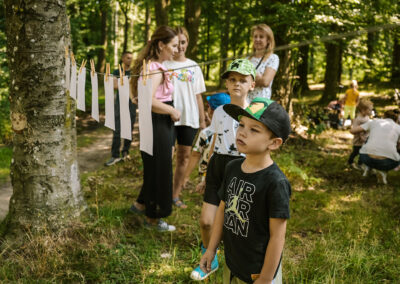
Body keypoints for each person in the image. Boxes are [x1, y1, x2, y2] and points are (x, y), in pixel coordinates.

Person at [199, 98, 291, 284]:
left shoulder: (275, 182)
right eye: (241, 125)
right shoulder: (232, 168)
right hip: (232, 263)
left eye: (254, 129)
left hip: (259, 272)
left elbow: (277, 237)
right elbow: (222, 211)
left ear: (274, 143)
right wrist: (210, 250)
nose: (241, 132)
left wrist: (265, 278)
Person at [190, 59, 256, 281]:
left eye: (242, 80)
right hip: (218, 166)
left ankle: (240, 267)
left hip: (241, 168)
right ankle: (210, 258)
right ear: (226, 84)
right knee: (206, 222)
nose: (237, 84)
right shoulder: (219, 112)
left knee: (235, 223)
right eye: (232, 80)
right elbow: (214, 142)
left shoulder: (255, 113)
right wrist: (205, 174)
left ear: (252, 84)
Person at [129, 26, 180, 232]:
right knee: (160, 168)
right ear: (161, 45)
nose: (176, 50)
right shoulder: (155, 69)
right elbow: (146, 100)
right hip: (158, 120)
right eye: (174, 45)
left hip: (155, 121)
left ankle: (141, 204)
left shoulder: (150, 66)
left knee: (153, 165)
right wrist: (171, 111)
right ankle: (154, 218)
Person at [163, 27, 207, 209]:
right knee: (166, 155)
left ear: (187, 43)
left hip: (188, 117)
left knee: (184, 156)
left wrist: (203, 121)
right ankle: (162, 193)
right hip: (168, 116)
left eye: (183, 42)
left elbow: (198, 95)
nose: (180, 46)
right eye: (177, 42)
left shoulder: (194, 66)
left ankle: (175, 194)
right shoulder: (164, 65)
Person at [183, 93, 231, 194]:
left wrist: (186, 176)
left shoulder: (206, 133)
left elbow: (195, 154)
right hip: (228, 176)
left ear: (212, 111)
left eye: (208, 106)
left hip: (208, 176)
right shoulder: (234, 132)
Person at [105, 51, 137, 166]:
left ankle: (125, 152)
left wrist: (124, 82)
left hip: (131, 104)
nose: (130, 60)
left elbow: (137, 86)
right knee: (117, 129)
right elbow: (113, 86)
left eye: (131, 58)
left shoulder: (134, 72)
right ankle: (114, 156)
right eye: (128, 58)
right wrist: (127, 82)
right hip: (119, 104)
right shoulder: (116, 71)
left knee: (129, 129)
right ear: (123, 58)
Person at [351, 110, 400, 184]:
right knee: (395, 155)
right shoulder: (398, 127)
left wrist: (366, 131)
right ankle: (382, 172)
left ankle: (368, 168)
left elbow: (352, 131)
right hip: (388, 161)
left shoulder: (373, 122)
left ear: (384, 116)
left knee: (368, 140)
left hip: (366, 157)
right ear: (396, 120)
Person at [247, 24, 279, 103]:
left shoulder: (272, 58)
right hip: (245, 103)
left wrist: (247, 80)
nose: (257, 39)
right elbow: (238, 81)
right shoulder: (247, 59)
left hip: (260, 104)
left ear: (268, 40)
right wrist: (257, 77)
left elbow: (265, 82)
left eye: (261, 37)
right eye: (255, 36)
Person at [348, 99, 373, 169]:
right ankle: (350, 161)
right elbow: (355, 129)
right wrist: (361, 136)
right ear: (363, 110)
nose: (371, 112)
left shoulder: (367, 117)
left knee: (363, 152)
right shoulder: (358, 119)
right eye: (369, 110)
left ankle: (360, 163)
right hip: (359, 140)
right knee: (356, 151)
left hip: (365, 138)